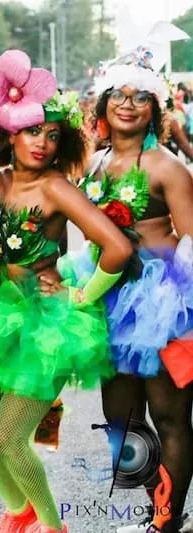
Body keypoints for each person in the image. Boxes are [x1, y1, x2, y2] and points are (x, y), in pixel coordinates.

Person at [0, 50, 132, 533]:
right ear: (11, 131)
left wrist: (82, 297)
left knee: (10, 437)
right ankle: (17, 508)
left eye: (53, 135)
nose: (43, 143)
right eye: (34, 131)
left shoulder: (56, 189)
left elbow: (115, 248)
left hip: (47, 327)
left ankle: (52, 526)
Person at [62, 45, 193, 533]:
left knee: (170, 415)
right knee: (120, 418)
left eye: (141, 97)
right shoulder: (91, 165)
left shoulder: (166, 167)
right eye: (119, 94)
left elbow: (192, 240)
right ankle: (151, 512)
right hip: (106, 300)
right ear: (103, 105)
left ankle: (166, 522)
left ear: (155, 110)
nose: (128, 104)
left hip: (161, 303)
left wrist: (176, 302)